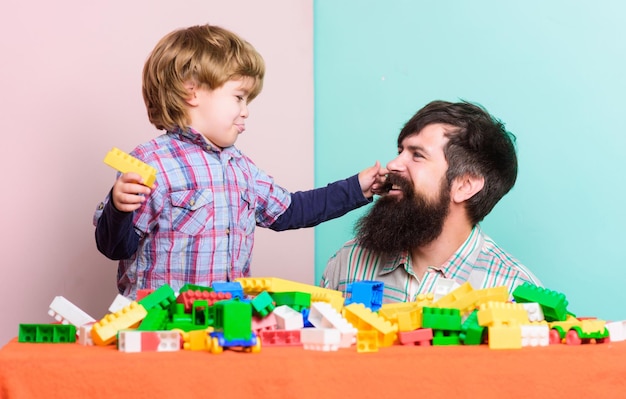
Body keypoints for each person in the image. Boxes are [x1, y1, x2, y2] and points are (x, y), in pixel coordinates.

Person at [93, 24, 381, 299]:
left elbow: (291, 210)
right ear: (191, 91)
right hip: (164, 327)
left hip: (225, 323)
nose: (246, 111)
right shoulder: (152, 162)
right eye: (239, 97)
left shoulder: (240, 168)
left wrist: (358, 187)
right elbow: (115, 246)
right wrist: (119, 209)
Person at [321, 100, 541, 303]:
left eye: (417, 155)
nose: (393, 164)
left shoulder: (516, 293)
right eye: (400, 151)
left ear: (464, 186)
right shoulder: (348, 263)